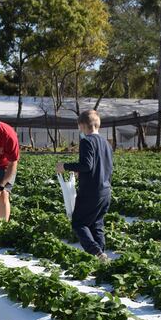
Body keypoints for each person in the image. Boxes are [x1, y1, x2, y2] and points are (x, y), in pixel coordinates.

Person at [56, 109, 113, 261]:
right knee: (96, 224)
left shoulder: (87, 141)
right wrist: (82, 172)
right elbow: (101, 166)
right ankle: (101, 257)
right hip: (105, 190)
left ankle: (96, 252)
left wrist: (65, 166)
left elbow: (87, 165)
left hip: (91, 191)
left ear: (82, 125)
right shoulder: (106, 143)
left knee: (79, 223)